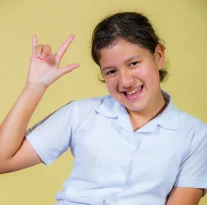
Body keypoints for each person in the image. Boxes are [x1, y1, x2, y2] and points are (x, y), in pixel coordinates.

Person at [0, 12, 207, 205]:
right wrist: (34, 87)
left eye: (134, 63)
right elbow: (2, 161)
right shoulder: (81, 113)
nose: (125, 81)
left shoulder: (195, 135)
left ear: (158, 56)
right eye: (111, 71)